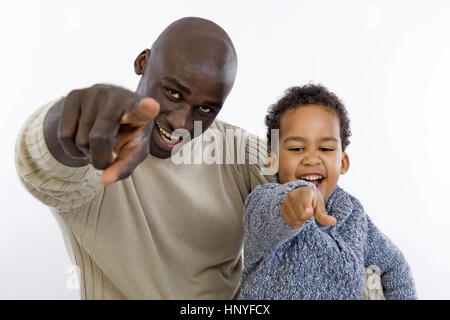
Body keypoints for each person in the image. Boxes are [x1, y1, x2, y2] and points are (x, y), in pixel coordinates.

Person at [15, 17, 273, 299]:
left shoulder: (237, 151)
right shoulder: (98, 152)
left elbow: (311, 188)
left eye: (205, 109)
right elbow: (41, 163)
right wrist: (73, 119)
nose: (181, 123)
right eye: (173, 92)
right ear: (142, 63)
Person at [240, 84, 417, 299]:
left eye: (325, 149)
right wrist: (294, 199)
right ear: (273, 161)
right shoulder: (262, 201)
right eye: (296, 148)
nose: (312, 158)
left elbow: (394, 265)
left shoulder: (354, 216)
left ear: (343, 162)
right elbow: (272, 211)